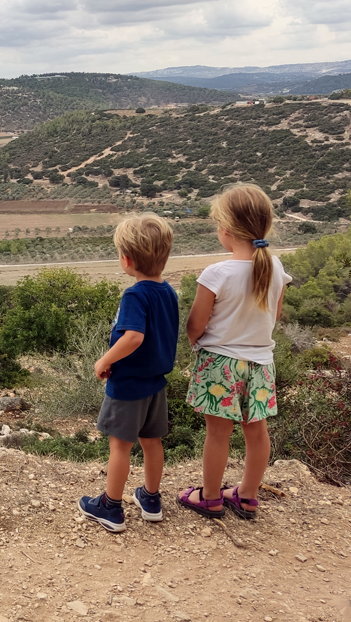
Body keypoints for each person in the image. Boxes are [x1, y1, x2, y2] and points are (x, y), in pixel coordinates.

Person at [177, 184, 291, 520]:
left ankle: (210, 497)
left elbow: (196, 324)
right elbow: (275, 316)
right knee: (257, 432)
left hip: (220, 363)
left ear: (226, 229)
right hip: (261, 363)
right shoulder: (276, 267)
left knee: (218, 434)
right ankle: (247, 496)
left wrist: (195, 343)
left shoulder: (217, 273)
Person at [79, 215, 178, 532]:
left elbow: (134, 337)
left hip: (129, 384)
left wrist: (104, 360)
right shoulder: (168, 292)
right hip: (156, 383)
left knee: (120, 446)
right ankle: (150, 499)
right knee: (152, 441)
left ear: (127, 260)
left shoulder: (135, 295)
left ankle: (110, 507)